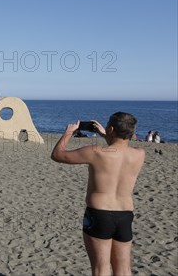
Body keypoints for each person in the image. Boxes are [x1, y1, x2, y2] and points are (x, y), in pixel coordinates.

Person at [51, 112, 145, 276]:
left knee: (101, 269)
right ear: (131, 132)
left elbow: (58, 155)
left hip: (99, 214)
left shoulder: (96, 152)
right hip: (125, 215)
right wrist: (106, 134)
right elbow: (118, 148)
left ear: (111, 128)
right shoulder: (139, 154)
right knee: (123, 270)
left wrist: (68, 132)